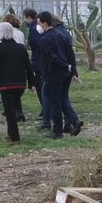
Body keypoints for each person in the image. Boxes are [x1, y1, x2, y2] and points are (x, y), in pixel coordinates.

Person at [0, 22, 36, 143]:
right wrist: (32, 83)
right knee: (13, 108)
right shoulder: (21, 48)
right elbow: (29, 67)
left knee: (10, 112)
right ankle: (10, 134)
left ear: (0, 33)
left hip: (6, 85)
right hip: (20, 84)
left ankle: (15, 138)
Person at [37, 10, 82, 138]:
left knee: (55, 102)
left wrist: (64, 65)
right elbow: (70, 54)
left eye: (39, 23)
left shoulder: (45, 39)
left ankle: (57, 131)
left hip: (53, 73)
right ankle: (74, 121)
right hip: (65, 74)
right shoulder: (63, 35)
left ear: (45, 23)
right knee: (62, 99)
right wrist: (72, 70)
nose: (38, 26)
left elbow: (51, 57)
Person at [23, 8, 48, 126]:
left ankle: (46, 110)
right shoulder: (38, 28)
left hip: (38, 62)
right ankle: (46, 109)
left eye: (25, 18)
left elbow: (37, 46)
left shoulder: (34, 29)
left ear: (29, 17)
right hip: (42, 61)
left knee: (40, 86)